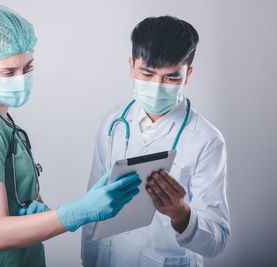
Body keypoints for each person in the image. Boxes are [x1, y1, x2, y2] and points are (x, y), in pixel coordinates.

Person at [0, 2, 141, 266]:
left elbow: (20, 198)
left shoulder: (1, 120)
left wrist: (39, 211)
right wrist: (78, 211)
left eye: (27, 68)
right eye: (8, 72)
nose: (21, 78)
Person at [81, 16, 230, 267]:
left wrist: (181, 215)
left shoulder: (207, 140)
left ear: (187, 74)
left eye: (171, 78)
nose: (157, 86)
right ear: (131, 66)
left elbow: (218, 240)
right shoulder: (113, 123)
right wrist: (89, 260)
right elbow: (93, 206)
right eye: (147, 73)